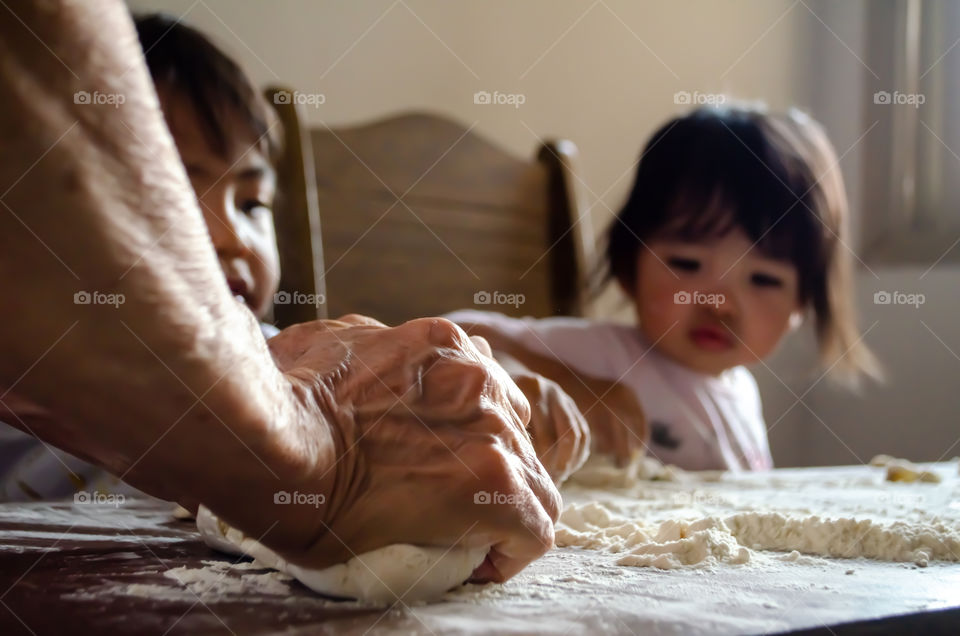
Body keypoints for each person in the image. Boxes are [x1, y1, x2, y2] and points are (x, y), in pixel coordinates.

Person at [0, 0, 558, 583]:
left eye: (251, 204)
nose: (230, 237)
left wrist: (511, 402)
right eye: (174, 198)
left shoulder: (283, 362)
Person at [450, 105, 881, 472]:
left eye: (765, 279)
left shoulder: (742, 393)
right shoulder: (603, 357)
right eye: (687, 264)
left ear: (803, 301)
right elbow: (451, 336)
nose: (721, 304)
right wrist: (571, 383)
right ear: (627, 266)